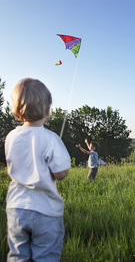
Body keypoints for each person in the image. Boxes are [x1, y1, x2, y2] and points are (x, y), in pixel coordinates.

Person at [4, 78, 71, 262]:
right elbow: (61, 173)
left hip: (16, 207)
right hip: (45, 210)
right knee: (45, 256)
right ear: (48, 109)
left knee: (18, 255)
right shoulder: (51, 138)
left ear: (16, 108)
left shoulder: (11, 136)